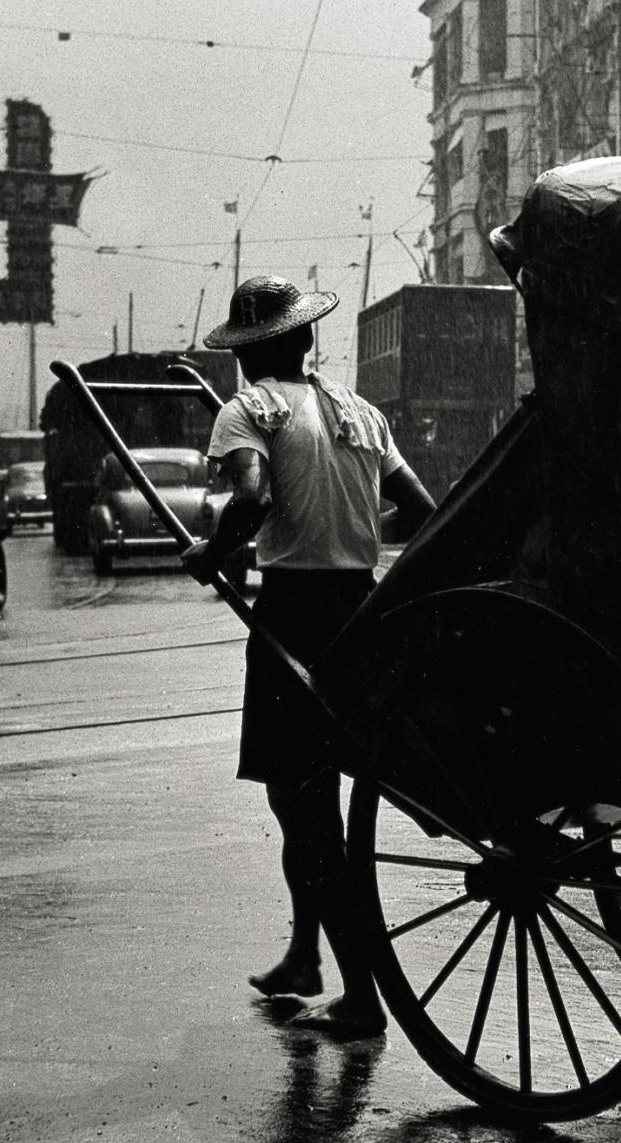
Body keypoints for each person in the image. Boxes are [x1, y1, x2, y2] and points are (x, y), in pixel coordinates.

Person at [182, 275, 435, 1040]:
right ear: (305, 342)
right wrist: (351, 513)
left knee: (305, 811)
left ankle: (360, 997)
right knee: (308, 804)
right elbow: (420, 512)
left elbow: (252, 500)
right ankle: (303, 956)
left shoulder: (246, 410)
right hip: (359, 611)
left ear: (249, 354)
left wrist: (213, 549)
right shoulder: (361, 413)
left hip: (293, 613)